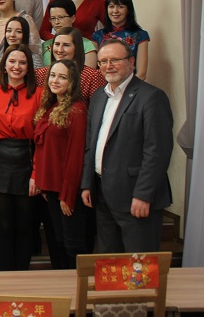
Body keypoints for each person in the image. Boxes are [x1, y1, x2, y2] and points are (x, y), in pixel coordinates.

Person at [80, 40, 174, 253]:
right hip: (103, 194)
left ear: (131, 62)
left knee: (139, 265)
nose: (108, 66)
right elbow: (90, 144)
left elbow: (157, 152)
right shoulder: (99, 96)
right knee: (109, 262)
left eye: (115, 60)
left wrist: (143, 195)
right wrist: (87, 184)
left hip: (135, 198)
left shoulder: (151, 97)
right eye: (103, 61)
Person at [0, 45, 41, 271]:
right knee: (1, 224)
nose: (16, 67)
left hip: (26, 160)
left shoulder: (39, 94)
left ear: (29, 68)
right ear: (4, 65)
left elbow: (41, 141)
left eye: (22, 63)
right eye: (12, 61)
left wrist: (36, 174)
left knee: (24, 225)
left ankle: (22, 273)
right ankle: (4, 273)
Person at [33, 59, 88, 268]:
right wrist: (43, 184)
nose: (55, 80)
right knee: (59, 241)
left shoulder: (77, 110)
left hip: (67, 191)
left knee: (72, 245)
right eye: (53, 75)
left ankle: (76, 286)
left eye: (62, 77)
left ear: (72, 81)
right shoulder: (51, 106)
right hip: (51, 188)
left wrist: (67, 194)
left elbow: (76, 155)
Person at [35, 28, 105, 104]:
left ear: (77, 48)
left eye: (66, 45)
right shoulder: (41, 74)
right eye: (57, 44)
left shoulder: (92, 76)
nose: (60, 50)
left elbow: (97, 106)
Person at [93, 0, 150, 80]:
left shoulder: (140, 35)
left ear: (128, 10)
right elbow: (94, 70)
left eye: (120, 7)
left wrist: (124, 88)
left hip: (131, 85)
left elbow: (141, 74)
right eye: (111, 6)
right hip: (104, 85)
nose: (115, 11)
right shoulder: (97, 36)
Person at [41, 0, 99, 67]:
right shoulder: (45, 46)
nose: (56, 22)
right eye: (53, 18)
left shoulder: (87, 45)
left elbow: (89, 72)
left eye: (61, 17)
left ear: (73, 18)